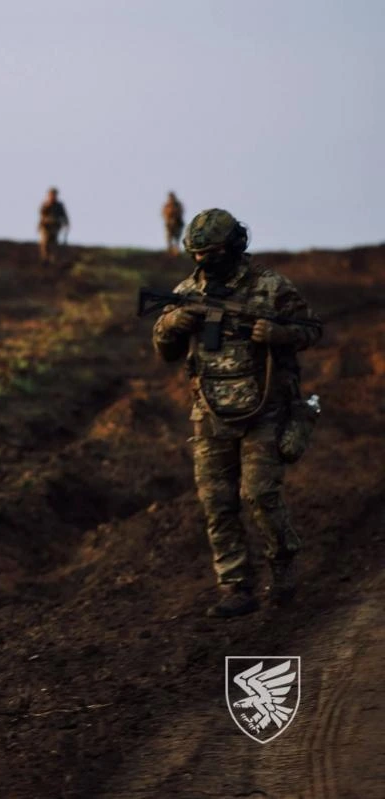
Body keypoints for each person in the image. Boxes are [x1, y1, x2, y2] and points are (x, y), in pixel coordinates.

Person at [152, 209, 321, 618]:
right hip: (210, 413)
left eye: (210, 252)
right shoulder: (186, 291)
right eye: (195, 253)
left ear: (233, 247)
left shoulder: (270, 286)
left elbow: (312, 329)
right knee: (217, 502)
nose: (201, 261)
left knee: (260, 495)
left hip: (265, 409)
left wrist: (280, 334)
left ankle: (282, 572)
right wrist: (173, 323)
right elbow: (166, 352)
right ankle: (235, 587)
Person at [38, 187, 70, 266]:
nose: (53, 196)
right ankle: (45, 259)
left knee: (54, 243)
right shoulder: (45, 204)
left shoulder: (59, 205)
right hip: (45, 227)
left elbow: (64, 216)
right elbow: (42, 214)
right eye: (51, 194)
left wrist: (66, 224)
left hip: (55, 227)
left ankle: (53, 260)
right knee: (45, 243)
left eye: (54, 194)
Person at [163, 192, 185, 256]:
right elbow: (164, 214)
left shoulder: (178, 205)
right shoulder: (167, 205)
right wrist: (168, 221)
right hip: (169, 224)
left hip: (177, 224)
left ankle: (176, 251)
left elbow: (181, 213)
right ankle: (169, 251)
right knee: (168, 238)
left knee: (177, 238)